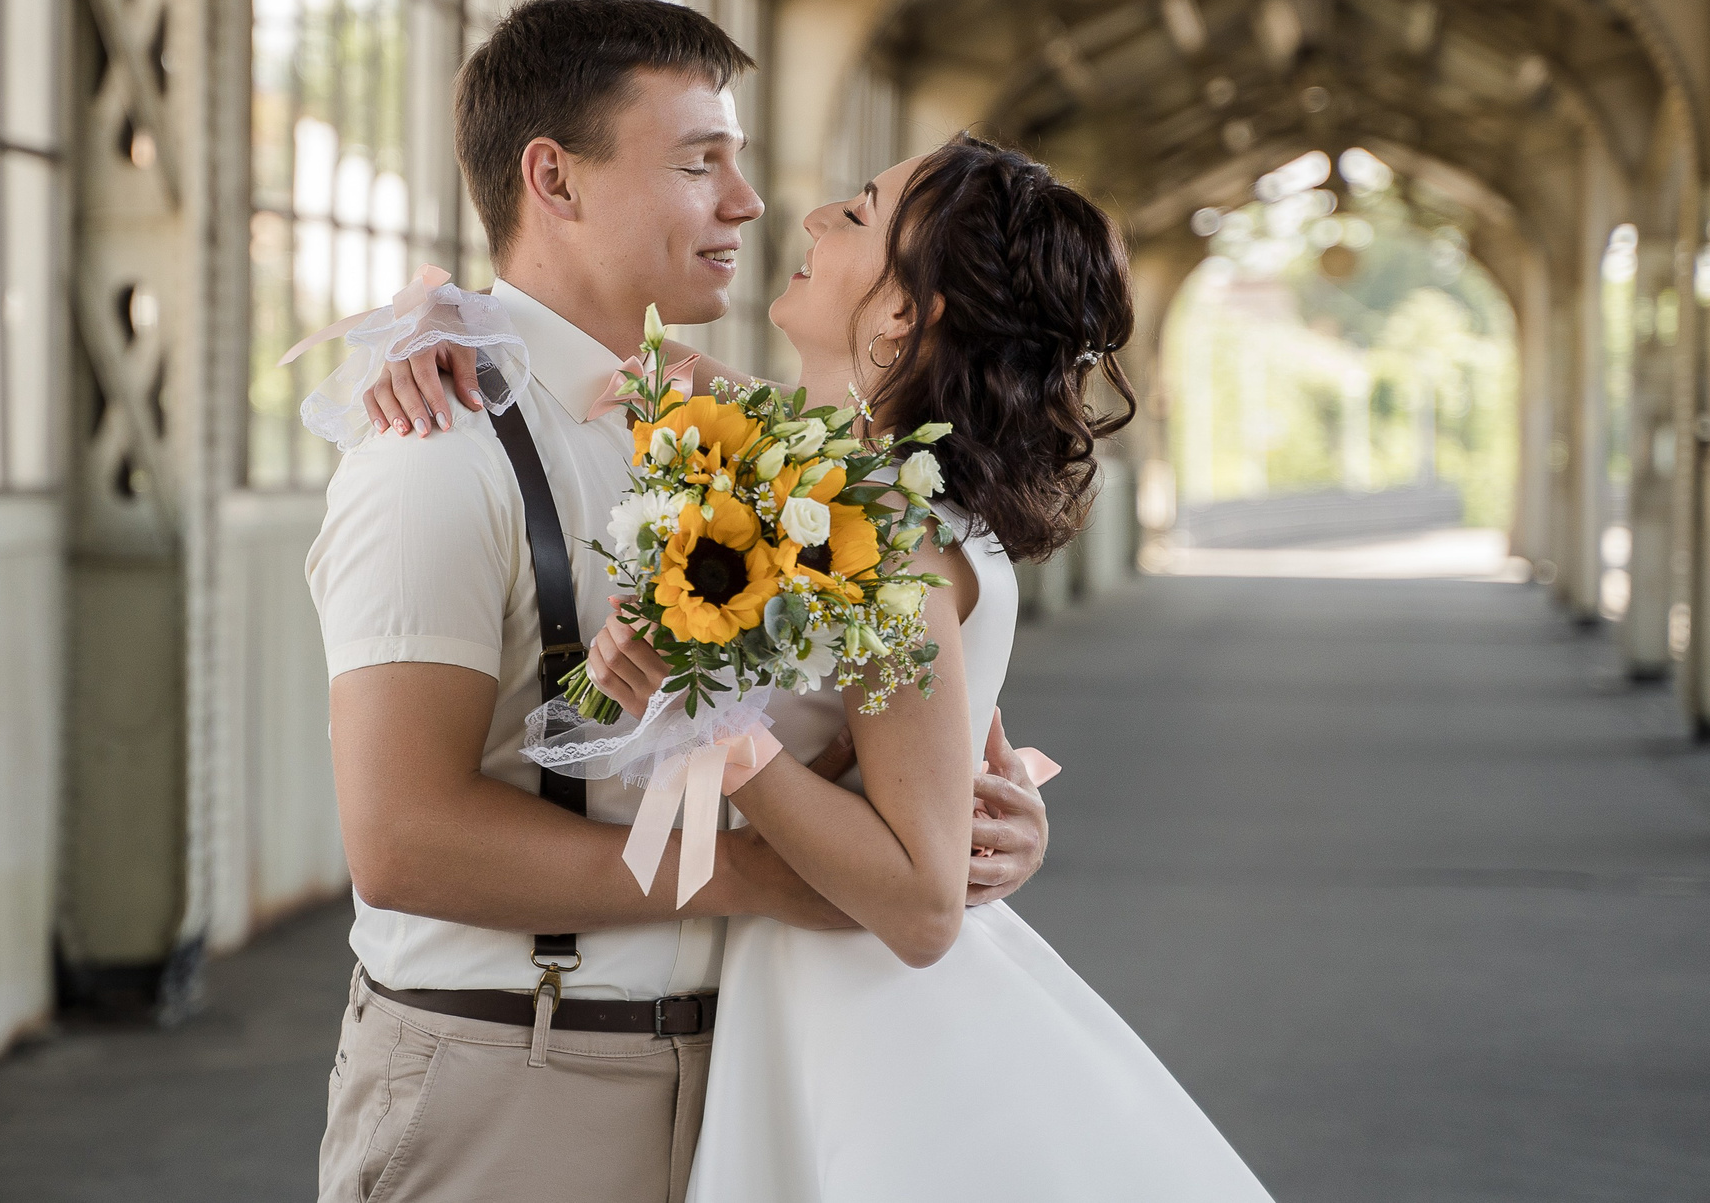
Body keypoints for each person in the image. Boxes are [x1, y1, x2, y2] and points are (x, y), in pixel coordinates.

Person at [367, 131, 1277, 1200]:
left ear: (904, 314)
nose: (806, 218)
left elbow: (922, 904)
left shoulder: (894, 539)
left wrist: (714, 730)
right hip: (780, 995)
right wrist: (434, 318)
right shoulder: (831, 468)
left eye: (856, 214)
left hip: (861, 1024)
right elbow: (602, 358)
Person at [308, 0, 1050, 1203]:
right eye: (700, 162)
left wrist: (974, 828)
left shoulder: (740, 437)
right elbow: (401, 842)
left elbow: (901, 726)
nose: (749, 204)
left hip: (755, 1080)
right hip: (526, 1073)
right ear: (553, 178)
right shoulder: (435, 449)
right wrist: (764, 876)